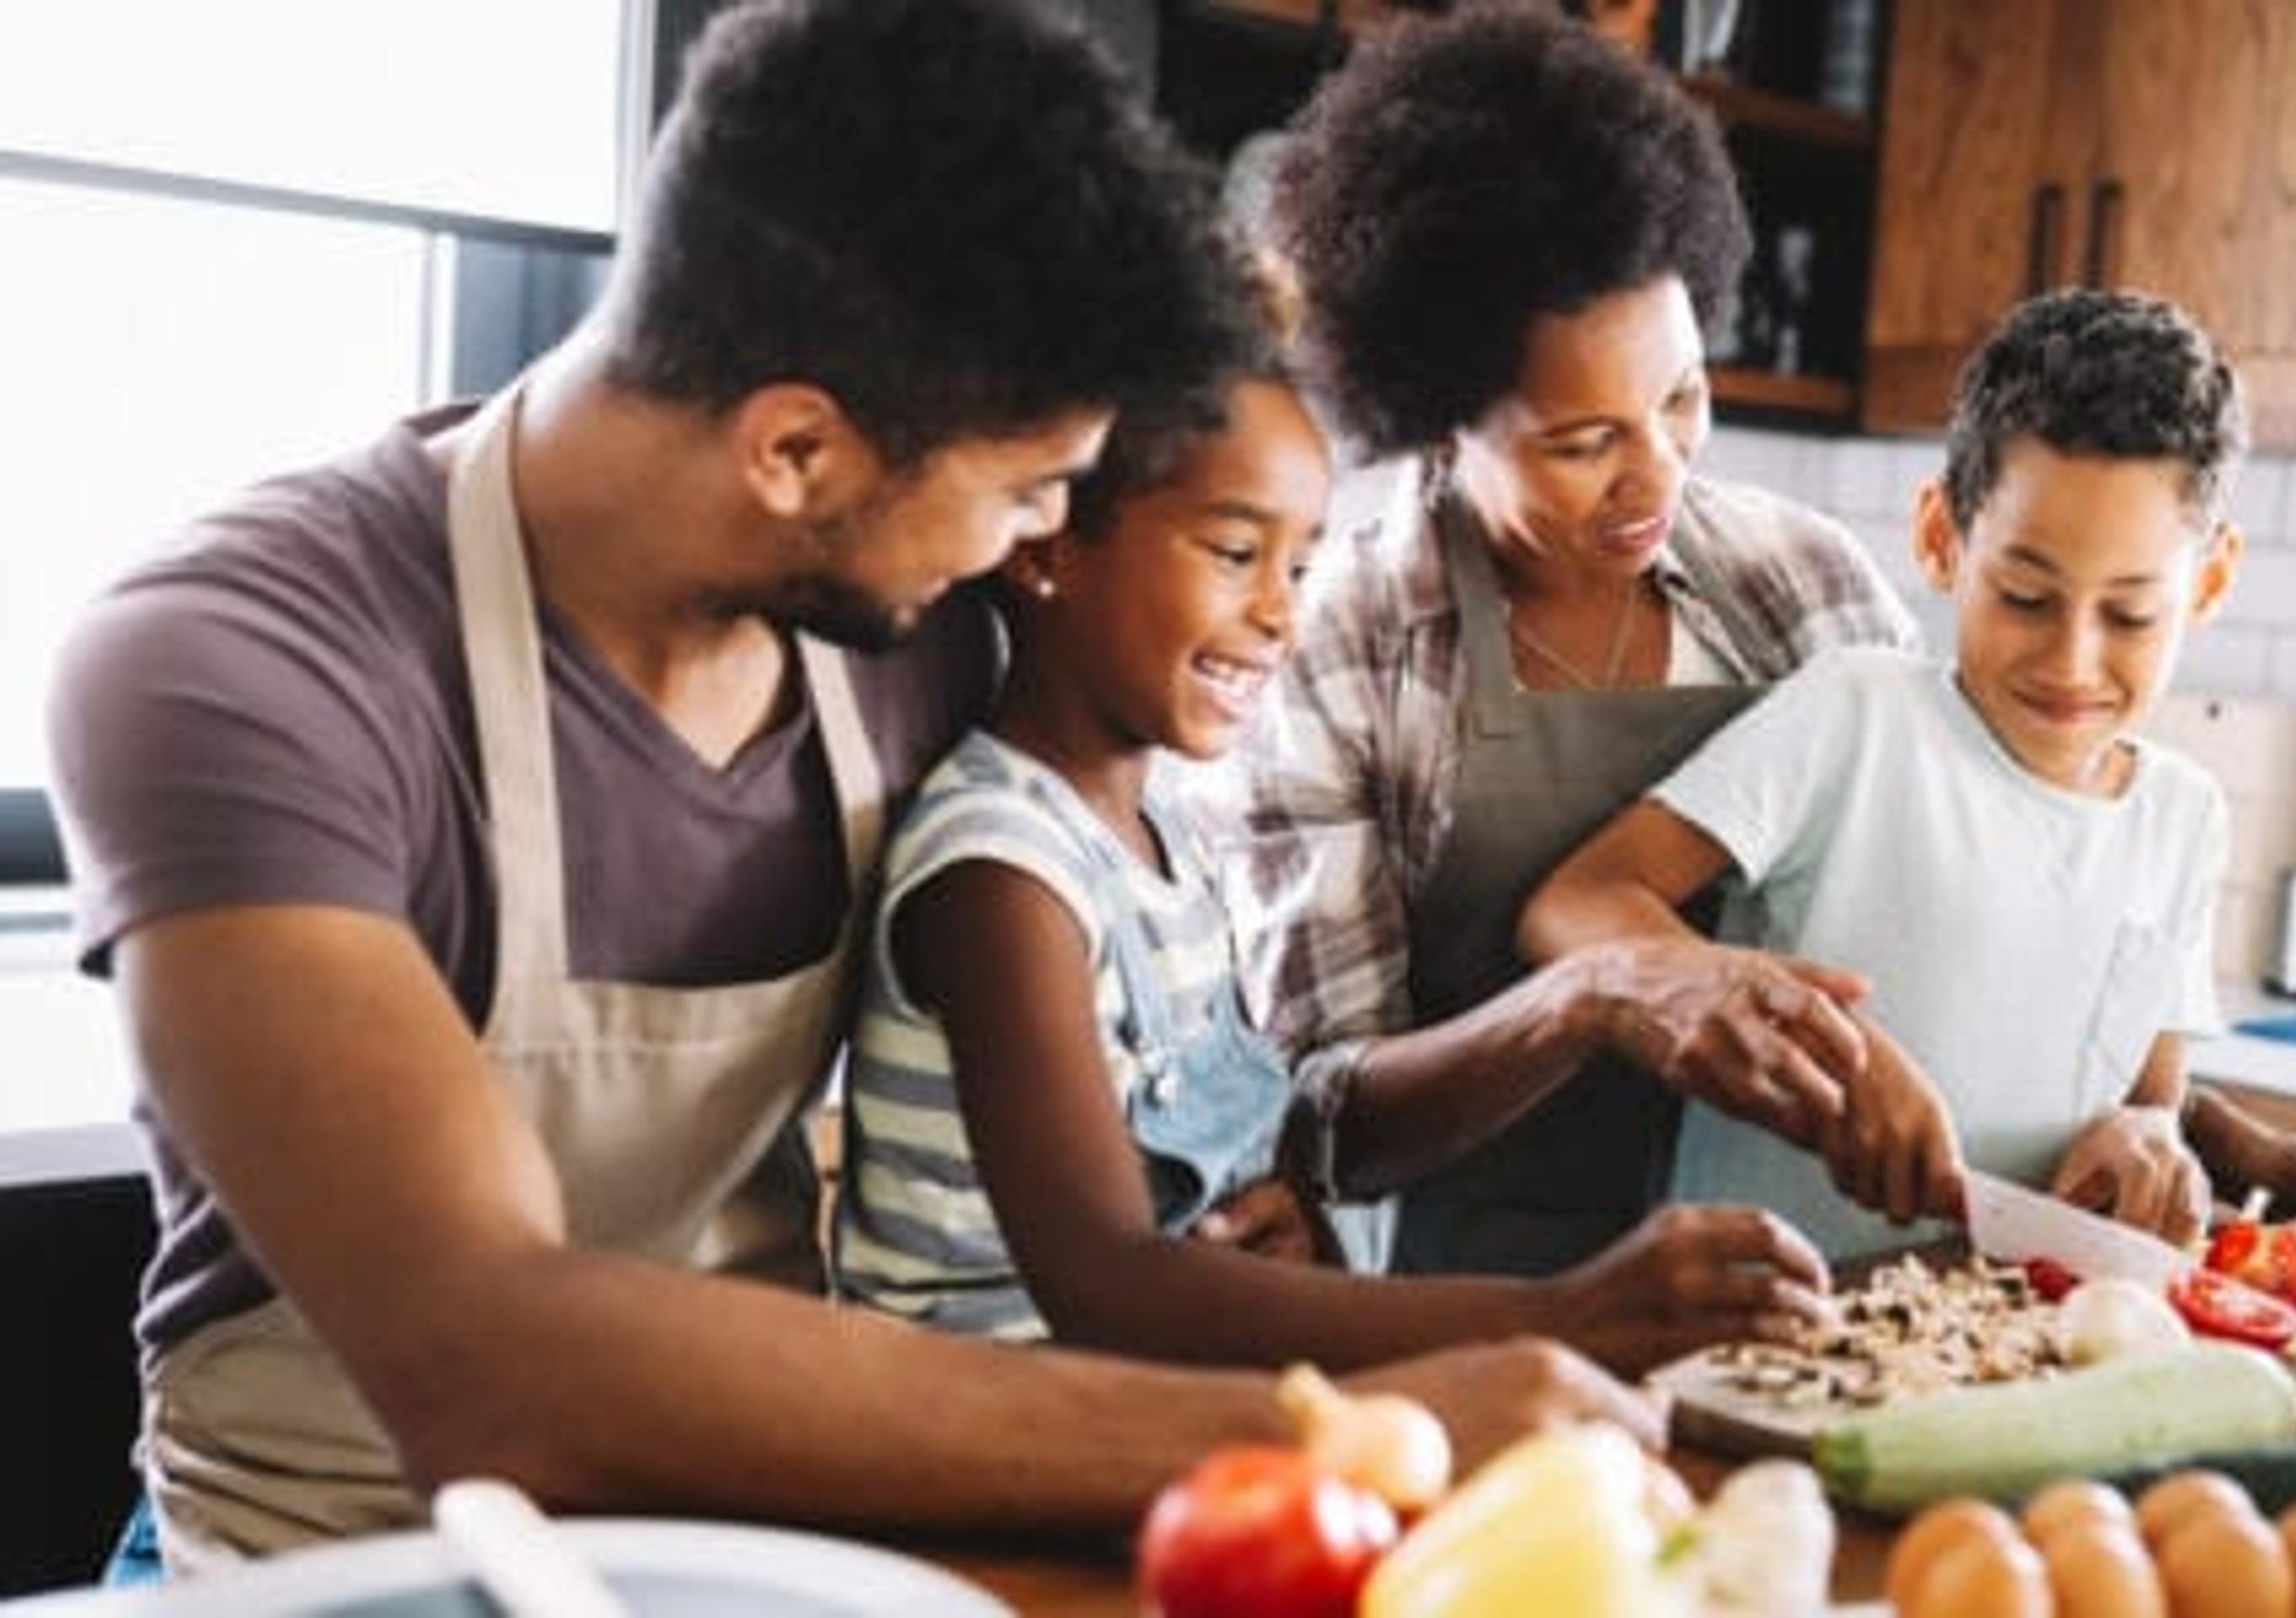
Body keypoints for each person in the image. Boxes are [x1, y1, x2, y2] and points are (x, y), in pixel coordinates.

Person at [46, 0, 1644, 1573]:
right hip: (329, 1554)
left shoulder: (915, 628)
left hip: (762, 1541)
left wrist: (1229, 1207)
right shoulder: (233, 667)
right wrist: (1332, 1424)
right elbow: (485, 1363)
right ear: (796, 452)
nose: (1031, 549)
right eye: (1024, 495)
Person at [832, 287, 1830, 1375]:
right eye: (1233, 553)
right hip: (991, 1430)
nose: (1282, 614)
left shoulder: (1164, 830)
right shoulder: (1004, 877)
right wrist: (1559, 1315)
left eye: (1298, 565)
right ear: (1045, 549)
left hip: (1145, 1401)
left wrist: (1285, 1208)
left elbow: (1215, 1189)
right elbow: (1111, 1283)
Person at [1239, 3, 1942, 1281]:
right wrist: (1596, 996)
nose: (1656, 475)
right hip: (1474, 1304)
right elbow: (1323, 1121)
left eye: (1681, 398)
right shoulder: (1341, 645)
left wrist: (2171, 1111)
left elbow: (1959, 904)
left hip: (1809, 1283)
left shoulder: (1799, 585)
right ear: (1442, 415)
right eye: (1584, 442)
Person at [1522, 289, 2296, 1259]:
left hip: (2008, 1356)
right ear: (1942, 540)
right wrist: (1801, 1030)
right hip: (1757, 1328)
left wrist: (2149, 1139)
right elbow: (1575, 905)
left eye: (2129, 615)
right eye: (2027, 596)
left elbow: (2145, 1097)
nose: (2073, 660)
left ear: (2206, 584)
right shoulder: (1857, 716)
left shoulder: (2185, 818)